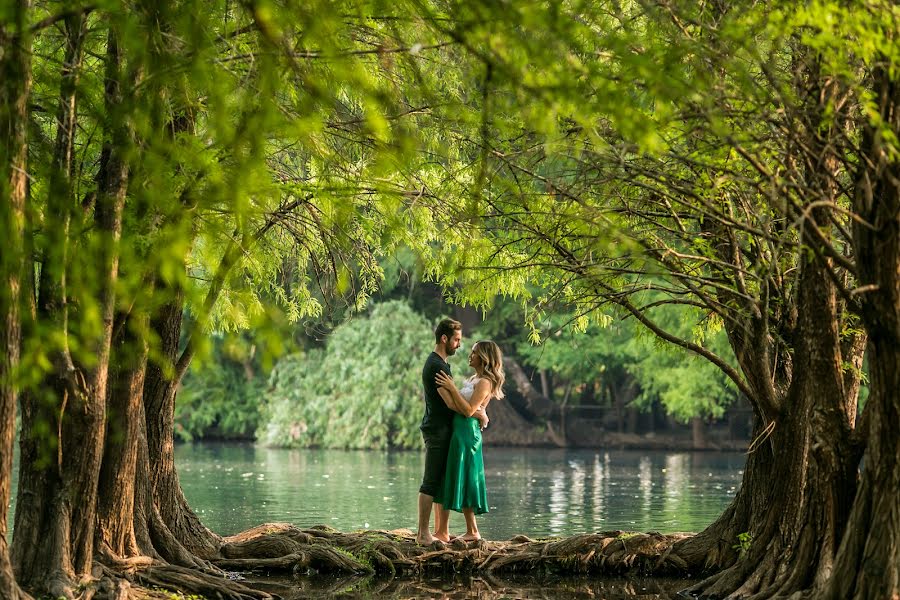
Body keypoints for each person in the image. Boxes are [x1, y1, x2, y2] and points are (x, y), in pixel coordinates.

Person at [416, 319, 488, 545]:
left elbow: (458, 402)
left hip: (448, 430)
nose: (459, 344)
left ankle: (441, 532)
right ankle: (423, 534)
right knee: (430, 482)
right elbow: (451, 403)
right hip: (437, 429)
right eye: (456, 339)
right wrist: (476, 413)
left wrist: (474, 412)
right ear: (444, 338)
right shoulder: (437, 365)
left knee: (439, 482)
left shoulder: (442, 364)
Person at [433, 340, 505, 542]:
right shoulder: (476, 378)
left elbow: (468, 410)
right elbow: (474, 409)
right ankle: (466, 531)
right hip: (459, 431)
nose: (470, 356)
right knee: (459, 477)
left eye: (474, 353)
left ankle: (471, 532)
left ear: (484, 357)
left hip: (466, 434)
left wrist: (451, 388)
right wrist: (481, 413)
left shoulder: (485, 382)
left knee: (465, 477)